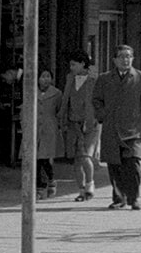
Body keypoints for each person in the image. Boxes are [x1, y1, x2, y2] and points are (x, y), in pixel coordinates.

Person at [91, 45, 141, 211]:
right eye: (121, 56)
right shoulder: (104, 78)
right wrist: (103, 114)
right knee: (115, 166)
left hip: (133, 130)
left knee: (133, 164)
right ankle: (119, 198)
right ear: (114, 59)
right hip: (112, 129)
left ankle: (134, 198)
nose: (125, 59)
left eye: (129, 56)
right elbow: (96, 100)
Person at [60, 51, 100, 202]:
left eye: (74, 64)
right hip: (73, 122)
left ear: (83, 63)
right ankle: (81, 190)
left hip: (90, 122)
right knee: (77, 158)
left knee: (85, 155)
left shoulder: (94, 79)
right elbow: (66, 99)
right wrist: (62, 117)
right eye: (70, 65)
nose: (71, 67)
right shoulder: (70, 79)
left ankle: (90, 184)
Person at [34, 70, 64, 200]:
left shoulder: (57, 93)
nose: (45, 79)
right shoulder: (31, 90)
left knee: (43, 158)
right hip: (34, 128)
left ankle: (45, 183)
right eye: (42, 76)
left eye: (48, 77)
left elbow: (60, 110)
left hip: (49, 128)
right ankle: (42, 185)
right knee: (35, 158)